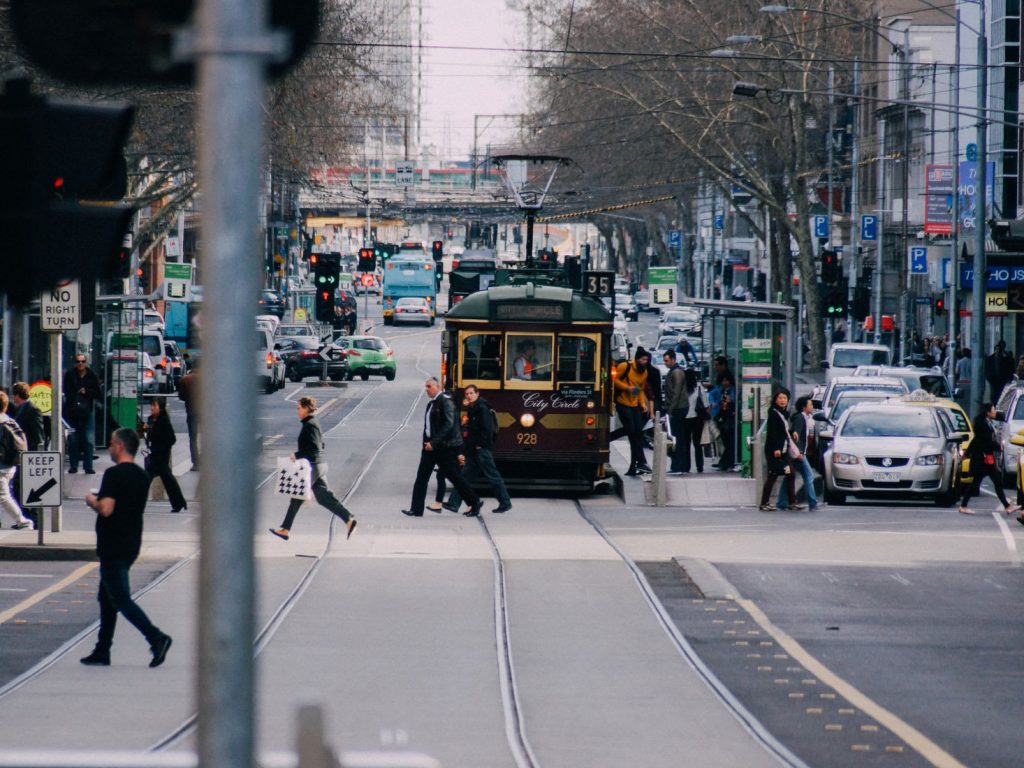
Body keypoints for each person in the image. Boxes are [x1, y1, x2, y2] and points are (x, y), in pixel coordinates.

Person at [81, 428, 172, 668]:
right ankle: (102, 649)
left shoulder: (114, 474)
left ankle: (156, 637)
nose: (109, 447)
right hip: (132, 542)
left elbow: (106, 508)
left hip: (113, 544)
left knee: (120, 598)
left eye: (111, 443)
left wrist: (92, 500)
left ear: (120, 446)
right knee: (106, 598)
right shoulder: (142, 475)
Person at [270, 396, 357, 540]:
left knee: (297, 496)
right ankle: (348, 520)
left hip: (313, 466)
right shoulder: (312, 423)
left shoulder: (310, 425)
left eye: (299, 408)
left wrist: (297, 455)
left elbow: (315, 447)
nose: (297, 411)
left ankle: (285, 529)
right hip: (318, 465)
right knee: (324, 498)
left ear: (306, 408)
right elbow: (320, 445)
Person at [401, 378, 482, 517]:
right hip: (430, 447)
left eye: (429, 386)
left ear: (438, 386)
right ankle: (416, 509)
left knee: (455, 477)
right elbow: (429, 427)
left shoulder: (445, 402)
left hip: (443, 447)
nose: (426, 389)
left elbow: (449, 425)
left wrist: (434, 442)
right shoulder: (432, 403)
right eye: (426, 386)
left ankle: (474, 503)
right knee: (421, 478)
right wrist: (427, 443)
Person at [443, 384, 512, 515]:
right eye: (467, 394)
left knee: (492, 476)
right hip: (474, 449)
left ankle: (505, 502)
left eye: (471, 393)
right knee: (464, 477)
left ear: (477, 394)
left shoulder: (482, 408)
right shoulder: (473, 408)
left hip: (481, 449)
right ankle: (453, 503)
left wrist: (480, 445)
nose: (469, 396)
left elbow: (487, 429)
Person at [959, 402, 1016, 516]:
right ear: (988, 412)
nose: (995, 412)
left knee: (990, 481)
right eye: (993, 409)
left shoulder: (986, 422)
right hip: (983, 459)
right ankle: (1007, 506)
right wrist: (998, 447)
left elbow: (976, 440)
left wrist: (967, 453)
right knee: (986, 482)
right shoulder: (983, 424)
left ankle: (1007, 506)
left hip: (985, 458)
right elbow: (984, 442)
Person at [609, 347, 653, 476]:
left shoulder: (644, 372)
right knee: (632, 432)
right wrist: (627, 388)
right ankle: (641, 462)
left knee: (636, 434)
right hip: (622, 403)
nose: (645, 362)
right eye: (643, 359)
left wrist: (642, 403)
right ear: (637, 359)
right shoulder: (625, 366)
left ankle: (635, 466)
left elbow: (640, 389)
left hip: (634, 405)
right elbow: (614, 380)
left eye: (647, 360)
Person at [144, 397, 187, 514]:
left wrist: (161, 446)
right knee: (168, 480)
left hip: (160, 456)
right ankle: (179, 503)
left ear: (161, 407)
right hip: (155, 455)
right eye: (152, 405)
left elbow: (172, 438)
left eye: (155, 405)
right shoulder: (151, 420)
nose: (152, 408)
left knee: (146, 480)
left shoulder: (163, 421)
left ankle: (137, 503)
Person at [0, 392, 35, 530]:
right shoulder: (8, 420)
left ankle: (22, 521)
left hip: (1, 466)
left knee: (3, 496)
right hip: (9, 464)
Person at [776, 395, 818, 511]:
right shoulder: (800, 418)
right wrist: (799, 452)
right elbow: (796, 436)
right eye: (810, 405)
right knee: (808, 476)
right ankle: (813, 503)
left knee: (789, 477)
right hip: (798, 454)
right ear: (804, 407)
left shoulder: (805, 418)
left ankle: (782, 502)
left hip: (798, 453)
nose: (812, 407)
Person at [759, 388, 797, 512]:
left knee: (790, 473)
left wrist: (792, 432)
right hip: (775, 452)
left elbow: (783, 430)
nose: (782, 400)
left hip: (783, 451)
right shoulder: (774, 413)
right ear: (775, 400)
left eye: (785, 398)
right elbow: (772, 433)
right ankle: (764, 503)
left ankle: (791, 502)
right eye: (780, 398)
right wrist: (776, 449)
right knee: (773, 475)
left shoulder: (783, 413)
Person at [64, 353, 102, 474]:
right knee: (72, 439)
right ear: (75, 363)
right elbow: (66, 391)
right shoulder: (70, 375)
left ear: (86, 362)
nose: (80, 364)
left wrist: (87, 391)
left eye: (83, 361)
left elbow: (98, 393)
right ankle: (73, 465)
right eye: (78, 361)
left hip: (87, 411)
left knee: (88, 439)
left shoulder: (91, 375)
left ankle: (88, 466)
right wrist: (76, 392)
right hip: (72, 412)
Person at [678, 368, 709, 474]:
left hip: (685, 418)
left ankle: (686, 467)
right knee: (697, 444)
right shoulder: (699, 387)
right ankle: (700, 467)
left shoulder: (682, 387)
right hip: (697, 418)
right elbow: (705, 404)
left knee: (686, 444)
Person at [662, 349, 688, 474]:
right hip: (677, 407)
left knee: (676, 437)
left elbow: (676, 393)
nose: (665, 363)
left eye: (667, 360)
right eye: (664, 361)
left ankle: (678, 466)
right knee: (677, 437)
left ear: (673, 359)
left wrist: (670, 411)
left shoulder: (676, 372)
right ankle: (679, 465)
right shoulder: (674, 371)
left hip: (678, 408)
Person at [176, 361, 200, 471]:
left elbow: (181, 396)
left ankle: (196, 463)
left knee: (193, 438)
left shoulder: (185, 379)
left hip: (192, 412)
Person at [713, 389, 736, 470]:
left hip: (729, 427)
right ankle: (725, 463)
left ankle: (724, 463)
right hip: (725, 427)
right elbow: (720, 414)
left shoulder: (731, 405)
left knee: (729, 446)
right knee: (728, 446)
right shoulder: (723, 404)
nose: (726, 397)